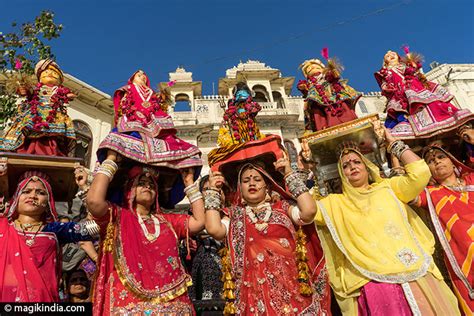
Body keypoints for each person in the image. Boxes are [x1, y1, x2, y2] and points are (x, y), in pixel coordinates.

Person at [309, 130, 460, 315]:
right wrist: (300, 171)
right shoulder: (334, 203)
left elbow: (420, 173)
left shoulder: (388, 187)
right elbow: (307, 211)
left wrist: (394, 144)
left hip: (414, 272)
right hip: (374, 282)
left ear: (367, 166)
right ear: (342, 173)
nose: (353, 167)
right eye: (346, 165)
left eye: (357, 162)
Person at [204, 157, 330, 315]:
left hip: (294, 295)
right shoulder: (234, 216)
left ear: (268, 186)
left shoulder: (283, 208)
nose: (252, 183)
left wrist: (289, 173)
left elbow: (309, 212)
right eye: (245, 180)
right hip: (254, 300)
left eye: (257, 179)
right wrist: (213, 190)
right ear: (239, 188)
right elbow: (214, 228)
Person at [87, 150, 205, 315]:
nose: (148, 187)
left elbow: (199, 222)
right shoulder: (117, 216)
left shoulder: (167, 221)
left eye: (152, 185)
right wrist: (111, 159)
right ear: (130, 189)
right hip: (129, 299)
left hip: (172, 301)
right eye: (142, 183)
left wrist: (189, 183)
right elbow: (94, 201)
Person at [0, 171, 98, 302]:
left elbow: (99, 225)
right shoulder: (2, 227)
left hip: (43, 304)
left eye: (41, 193)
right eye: (26, 191)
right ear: (16, 198)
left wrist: (86, 188)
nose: (33, 196)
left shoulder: (54, 231)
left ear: (48, 202)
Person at [414, 145, 474, 314]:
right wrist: (395, 154)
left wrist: (470, 137)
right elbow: (406, 191)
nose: (437, 161)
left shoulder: (472, 180)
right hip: (465, 265)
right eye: (431, 161)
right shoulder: (431, 194)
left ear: (452, 161)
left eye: (441, 157)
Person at [375, 50, 472, 137]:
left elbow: (412, 71)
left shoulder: (403, 66)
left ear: (398, 57)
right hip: (399, 93)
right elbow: (384, 84)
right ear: (385, 61)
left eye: (393, 54)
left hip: (413, 87)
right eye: (387, 56)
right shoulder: (385, 72)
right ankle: (407, 126)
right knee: (399, 111)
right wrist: (387, 88)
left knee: (430, 103)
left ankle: (442, 118)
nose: (390, 55)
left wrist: (412, 64)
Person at [0, 59, 76, 156]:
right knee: (30, 130)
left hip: (54, 116)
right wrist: (23, 89)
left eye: (54, 73)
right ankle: (30, 149)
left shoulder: (59, 91)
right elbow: (27, 93)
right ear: (40, 77)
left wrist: (67, 96)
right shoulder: (36, 90)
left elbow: (69, 96)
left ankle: (51, 150)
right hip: (35, 113)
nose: (50, 74)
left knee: (53, 136)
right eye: (46, 72)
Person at [297, 56, 360, 132]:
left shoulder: (326, 76)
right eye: (310, 69)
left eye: (316, 67)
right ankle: (323, 126)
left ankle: (348, 119)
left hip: (334, 94)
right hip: (317, 98)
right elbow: (304, 90)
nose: (313, 70)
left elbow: (335, 77)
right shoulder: (311, 84)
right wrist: (303, 88)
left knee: (341, 106)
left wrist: (332, 69)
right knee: (318, 110)